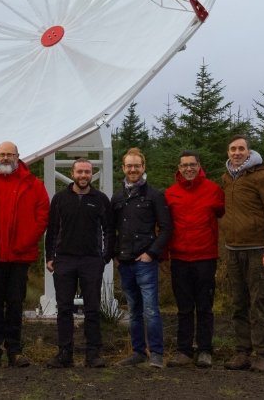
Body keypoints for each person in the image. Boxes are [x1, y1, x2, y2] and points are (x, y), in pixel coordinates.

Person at [0, 141, 50, 369]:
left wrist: (26, 241)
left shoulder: (33, 185)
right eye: (2, 154)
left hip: (19, 256)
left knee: (15, 303)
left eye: (9, 154)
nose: (5, 158)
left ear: (18, 157)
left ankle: (15, 350)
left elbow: (42, 214)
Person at [220, 135, 264, 373]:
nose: (236, 153)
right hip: (233, 250)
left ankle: (262, 354)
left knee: (259, 303)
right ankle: (242, 352)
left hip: (258, 250)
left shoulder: (263, 176)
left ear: (249, 151)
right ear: (228, 152)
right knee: (239, 303)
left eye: (241, 149)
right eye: (232, 149)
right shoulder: (227, 178)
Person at [44, 158, 115, 368]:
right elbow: (52, 230)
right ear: (72, 173)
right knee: (64, 308)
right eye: (79, 172)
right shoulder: (60, 198)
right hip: (64, 260)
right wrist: (50, 256)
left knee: (92, 308)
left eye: (87, 172)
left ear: (91, 174)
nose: (83, 176)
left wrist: (105, 257)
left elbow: (109, 229)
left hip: (91, 261)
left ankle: (93, 353)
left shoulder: (100, 199)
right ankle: (65, 353)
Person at [164, 150, 225, 368]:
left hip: (205, 257)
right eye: (184, 165)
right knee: (184, 307)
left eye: (192, 164)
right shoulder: (170, 194)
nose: (188, 168)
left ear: (199, 166)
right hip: (179, 258)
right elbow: (163, 225)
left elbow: (224, 214)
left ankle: (205, 350)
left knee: (205, 307)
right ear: (178, 168)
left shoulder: (214, 191)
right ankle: (184, 351)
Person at [111, 147, 171, 368]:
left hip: (145, 261)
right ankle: (138, 352)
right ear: (123, 168)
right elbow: (111, 229)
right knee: (133, 310)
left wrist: (151, 253)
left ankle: (156, 353)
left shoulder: (154, 195)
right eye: (129, 166)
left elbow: (166, 228)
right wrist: (115, 254)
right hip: (125, 262)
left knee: (151, 310)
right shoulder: (117, 197)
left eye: (137, 165)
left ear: (143, 167)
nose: (133, 169)